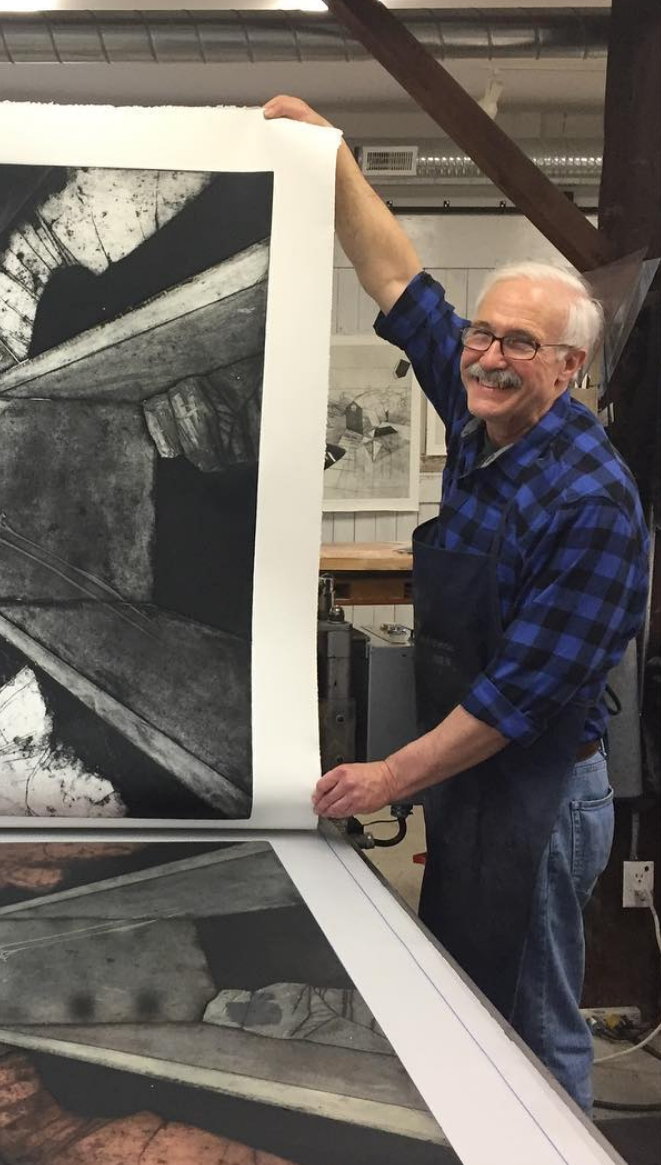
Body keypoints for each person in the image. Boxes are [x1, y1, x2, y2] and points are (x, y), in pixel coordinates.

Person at [264, 95, 650, 1112]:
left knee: (533, 1018)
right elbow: (394, 279)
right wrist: (326, 150)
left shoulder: (590, 504)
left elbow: (516, 699)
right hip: (469, 783)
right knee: (465, 1000)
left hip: (535, 792)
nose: (483, 355)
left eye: (518, 344)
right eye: (482, 333)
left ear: (567, 370)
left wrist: (387, 774)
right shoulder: (485, 414)